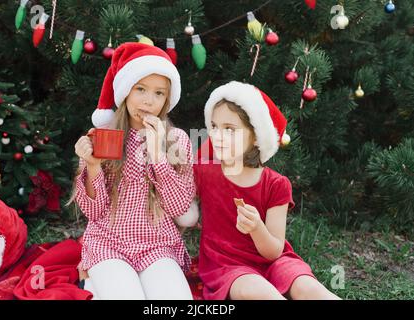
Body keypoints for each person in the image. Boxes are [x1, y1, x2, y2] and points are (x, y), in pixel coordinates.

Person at [68, 42, 198, 300]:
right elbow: (95, 212)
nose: (149, 101)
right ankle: (100, 280)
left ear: (167, 99)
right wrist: (93, 166)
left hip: (157, 244)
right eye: (140, 89)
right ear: (126, 92)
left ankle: (99, 286)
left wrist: (159, 156)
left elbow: (179, 208)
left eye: (159, 93)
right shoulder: (106, 137)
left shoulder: (176, 139)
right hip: (109, 243)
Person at [192, 81, 341, 300]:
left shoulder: (276, 184)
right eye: (214, 126)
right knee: (256, 291)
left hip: (274, 261)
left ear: (255, 136)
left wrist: (257, 228)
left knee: (310, 289)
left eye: (229, 129)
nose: (217, 136)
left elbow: (273, 251)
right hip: (228, 265)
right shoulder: (204, 173)